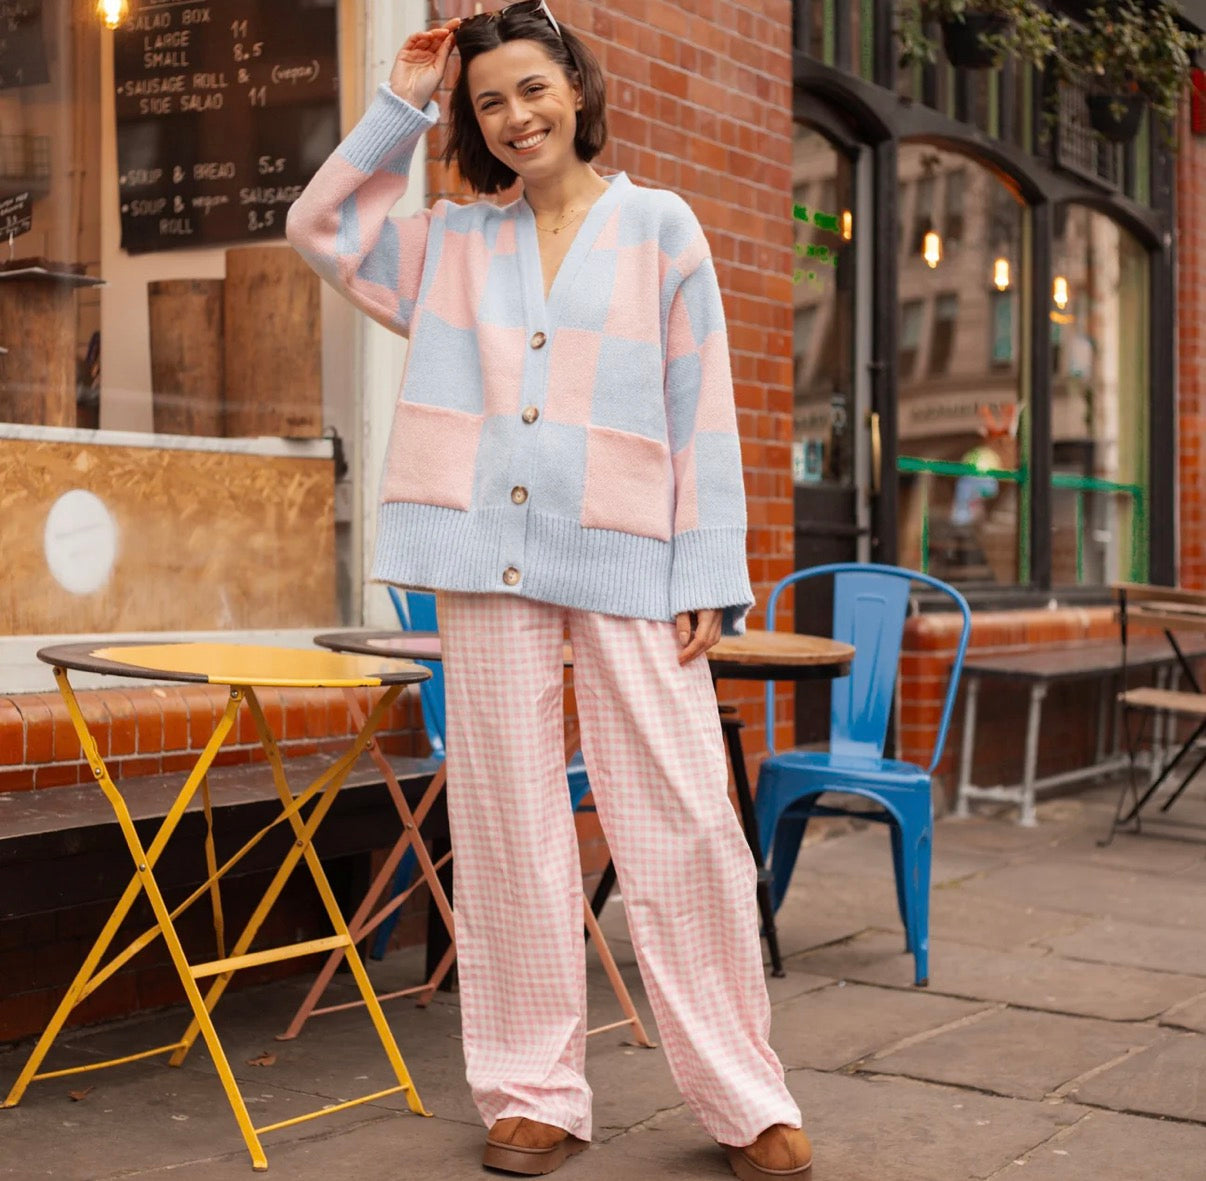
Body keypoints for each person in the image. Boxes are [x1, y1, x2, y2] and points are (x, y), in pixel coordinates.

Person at [286, 4, 811, 1178]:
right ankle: (533, 1089)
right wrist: (402, 103)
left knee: (685, 814)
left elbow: (703, 404)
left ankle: (745, 1092)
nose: (515, 116)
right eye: (488, 102)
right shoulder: (453, 243)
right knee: (508, 822)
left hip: (630, 557)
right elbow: (319, 224)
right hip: (485, 560)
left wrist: (706, 567)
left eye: (531, 88)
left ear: (575, 86)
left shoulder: (660, 226)